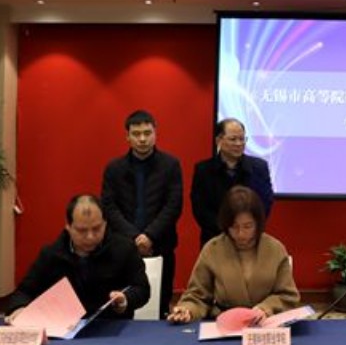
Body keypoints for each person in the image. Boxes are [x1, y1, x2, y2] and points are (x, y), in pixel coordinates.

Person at [4, 194, 150, 322]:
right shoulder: (52, 254)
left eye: (97, 228)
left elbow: (142, 289)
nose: (90, 237)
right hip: (64, 331)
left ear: (105, 224)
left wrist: (125, 300)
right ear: (68, 226)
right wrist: (19, 309)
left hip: (112, 327)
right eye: (82, 230)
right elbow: (23, 292)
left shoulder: (124, 249)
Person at [168, 185, 298, 324]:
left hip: (265, 324)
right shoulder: (213, 249)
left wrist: (266, 308)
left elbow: (287, 296)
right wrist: (188, 310)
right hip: (224, 324)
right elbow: (197, 296)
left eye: (248, 226)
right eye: (234, 227)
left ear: (258, 223)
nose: (241, 234)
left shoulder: (275, 249)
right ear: (226, 224)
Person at [101, 109, 183, 318]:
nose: (143, 139)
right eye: (136, 134)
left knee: (161, 305)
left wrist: (150, 236)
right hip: (123, 247)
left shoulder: (170, 165)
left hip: (161, 245)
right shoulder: (114, 168)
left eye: (147, 133)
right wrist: (134, 238)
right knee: (123, 305)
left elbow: (173, 205)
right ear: (127, 137)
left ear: (156, 134)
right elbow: (109, 207)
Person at [191, 118, 274, 247]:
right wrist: (228, 230)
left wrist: (246, 229)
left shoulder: (259, 168)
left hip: (250, 239)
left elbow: (265, 203)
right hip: (215, 240)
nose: (238, 143)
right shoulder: (204, 170)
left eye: (242, 139)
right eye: (233, 139)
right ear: (219, 140)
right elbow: (200, 209)